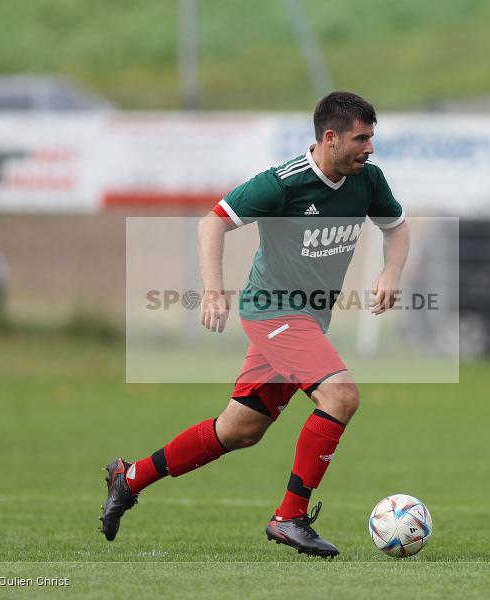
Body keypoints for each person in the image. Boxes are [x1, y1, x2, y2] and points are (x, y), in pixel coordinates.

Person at [100, 91, 409, 558]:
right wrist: (211, 290)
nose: (370, 148)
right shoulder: (282, 184)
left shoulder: (368, 179)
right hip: (274, 311)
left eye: (371, 138)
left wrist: (390, 271)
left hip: (308, 320)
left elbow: (397, 227)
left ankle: (131, 476)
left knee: (239, 430)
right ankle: (289, 517)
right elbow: (213, 223)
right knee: (341, 394)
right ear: (330, 138)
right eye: (361, 138)